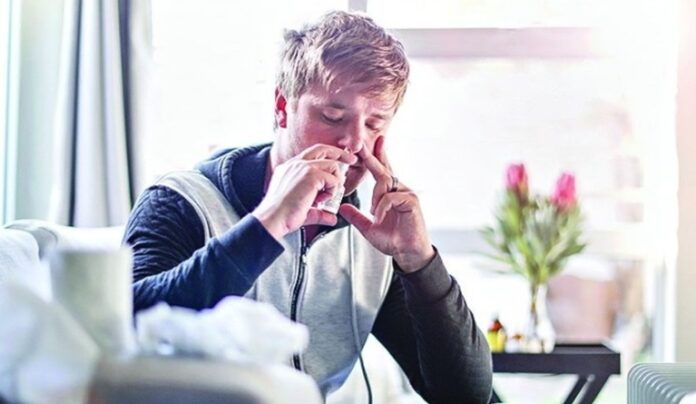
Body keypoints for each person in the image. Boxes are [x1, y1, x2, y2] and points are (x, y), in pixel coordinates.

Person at [124, 10, 492, 403]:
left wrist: (419, 262)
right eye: (333, 116)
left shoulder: (374, 240)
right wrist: (265, 226)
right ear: (282, 107)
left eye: (374, 124)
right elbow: (124, 333)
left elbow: (466, 396)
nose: (354, 143)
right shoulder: (180, 201)